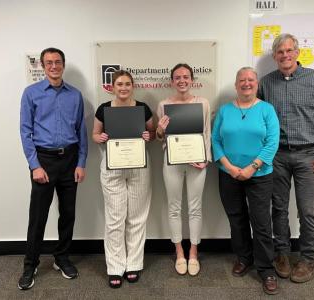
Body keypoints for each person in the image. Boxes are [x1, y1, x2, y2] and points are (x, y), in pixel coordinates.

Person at [258, 33, 314, 283]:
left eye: (289, 51)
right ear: (274, 56)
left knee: (307, 210)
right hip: (277, 155)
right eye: (280, 52)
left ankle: (307, 259)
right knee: (278, 209)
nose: (285, 56)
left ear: (298, 53)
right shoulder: (266, 83)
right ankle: (281, 254)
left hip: (308, 156)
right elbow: (260, 118)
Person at [18, 47, 88, 290]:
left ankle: (62, 258)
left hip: (69, 161)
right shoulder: (31, 94)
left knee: (68, 213)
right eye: (49, 62)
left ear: (63, 64)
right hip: (44, 162)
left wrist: (81, 162)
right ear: (42, 65)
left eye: (58, 62)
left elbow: (81, 131)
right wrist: (34, 165)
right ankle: (30, 264)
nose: (54, 66)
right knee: (38, 216)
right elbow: (25, 132)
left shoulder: (75, 95)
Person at [212, 67, 280, 295]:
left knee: (261, 222)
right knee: (237, 219)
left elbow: (272, 142)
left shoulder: (266, 110)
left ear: (257, 83)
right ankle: (244, 258)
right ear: (236, 84)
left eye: (250, 79)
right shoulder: (224, 110)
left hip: (259, 175)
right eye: (242, 80)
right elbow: (215, 140)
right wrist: (230, 167)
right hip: (229, 174)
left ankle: (266, 269)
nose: (246, 83)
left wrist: (252, 167)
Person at [92, 70, 155, 288]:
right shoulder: (104, 109)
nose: (124, 87)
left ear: (132, 86)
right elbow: (95, 134)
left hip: (138, 166)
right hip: (112, 167)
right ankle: (115, 267)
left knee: (137, 217)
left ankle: (134, 264)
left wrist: (149, 135)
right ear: (112, 87)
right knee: (115, 219)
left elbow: (152, 133)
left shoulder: (143, 108)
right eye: (119, 84)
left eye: (128, 84)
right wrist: (99, 137)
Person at [156, 63, 211, 277]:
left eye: (186, 76)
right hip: (172, 162)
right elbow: (160, 137)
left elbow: (206, 133)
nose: (182, 80)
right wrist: (160, 129)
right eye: (177, 77)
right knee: (174, 207)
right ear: (172, 81)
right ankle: (179, 253)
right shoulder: (163, 105)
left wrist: (206, 158)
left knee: (195, 208)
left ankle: (193, 253)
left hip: (198, 163)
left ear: (192, 79)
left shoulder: (203, 103)